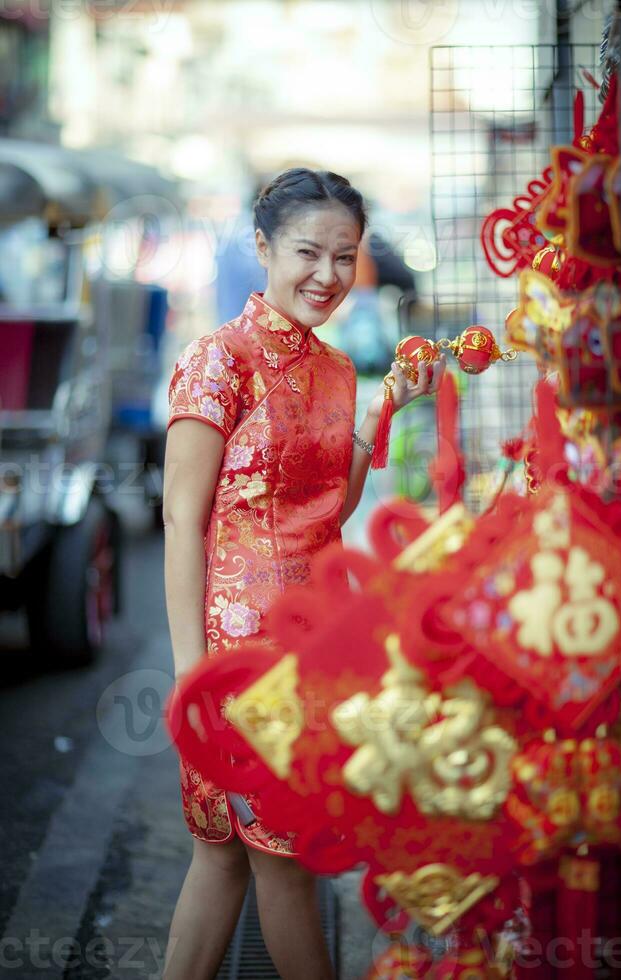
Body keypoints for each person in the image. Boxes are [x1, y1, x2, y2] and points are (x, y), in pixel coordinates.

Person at [161, 167, 443, 980]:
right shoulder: (219, 361)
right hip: (234, 662)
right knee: (273, 860)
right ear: (263, 248)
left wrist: (385, 406)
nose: (327, 275)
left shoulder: (331, 368)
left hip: (313, 649)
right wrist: (190, 674)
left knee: (226, 860)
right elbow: (184, 521)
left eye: (344, 256)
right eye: (307, 252)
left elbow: (329, 510)